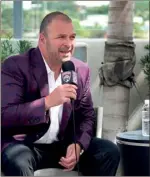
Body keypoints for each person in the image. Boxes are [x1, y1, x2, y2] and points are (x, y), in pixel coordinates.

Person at [1, 11, 120, 176]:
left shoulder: (79, 70)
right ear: (42, 39)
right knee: (18, 161)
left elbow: (86, 116)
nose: (68, 43)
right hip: (26, 145)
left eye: (72, 37)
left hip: (62, 146)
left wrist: (79, 144)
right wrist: (47, 102)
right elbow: (5, 114)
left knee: (108, 151)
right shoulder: (16, 66)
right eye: (61, 37)